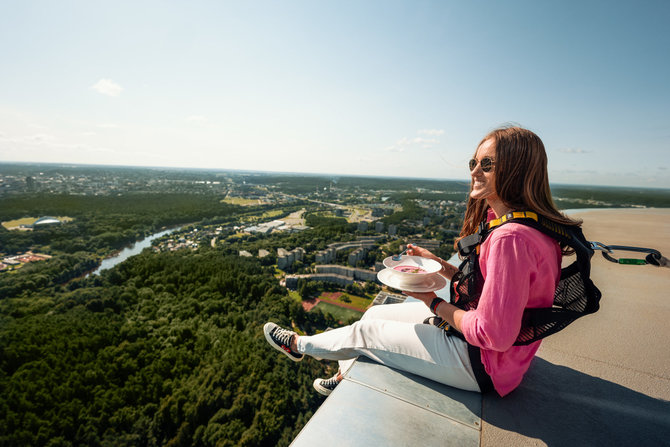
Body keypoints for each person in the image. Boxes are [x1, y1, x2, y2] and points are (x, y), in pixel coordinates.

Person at [264, 126, 582, 397]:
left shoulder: (509, 238)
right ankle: (347, 375)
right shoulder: (530, 227)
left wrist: (432, 303)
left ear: (515, 169)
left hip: (484, 366)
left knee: (365, 334)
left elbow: (493, 335)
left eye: (487, 163)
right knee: (375, 312)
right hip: (504, 360)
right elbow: (493, 290)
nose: (474, 170)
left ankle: (298, 345)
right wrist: (438, 264)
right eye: (474, 161)